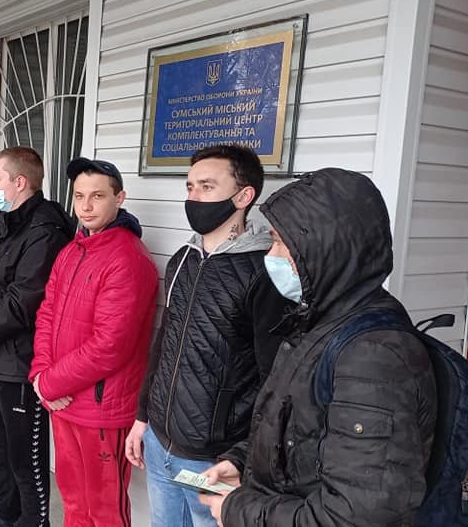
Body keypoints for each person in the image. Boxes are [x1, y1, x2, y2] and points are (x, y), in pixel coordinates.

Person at [199, 168, 438, 526]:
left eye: (280, 243)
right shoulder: (320, 320)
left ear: (324, 249)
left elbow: (356, 517)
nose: (271, 255)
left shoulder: (373, 355)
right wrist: (242, 461)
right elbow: (300, 430)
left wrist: (239, 511)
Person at [123, 144, 288, 527]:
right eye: (190, 186)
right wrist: (143, 417)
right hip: (161, 443)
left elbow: (275, 376)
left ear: (243, 196)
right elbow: (165, 344)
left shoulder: (264, 273)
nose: (194, 196)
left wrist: (244, 456)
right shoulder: (182, 260)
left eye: (207, 186)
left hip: (213, 459)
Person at [29, 158, 158, 527]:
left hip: (100, 407)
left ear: (119, 198)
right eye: (79, 196)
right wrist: (41, 375)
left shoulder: (128, 258)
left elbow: (110, 345)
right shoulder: (72, 250)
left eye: (97, 196)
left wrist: (51, 383)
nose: (85, 206)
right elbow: (47, 314)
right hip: (62, 400)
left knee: (104, 509)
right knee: (73, 500)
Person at [0, 146, 73, 527]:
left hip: (18, 363)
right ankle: (5, 516)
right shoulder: (0, 224)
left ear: (20, 182)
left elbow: (23, 301)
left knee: (25, 458)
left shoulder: (45, 231)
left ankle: (33, 522)